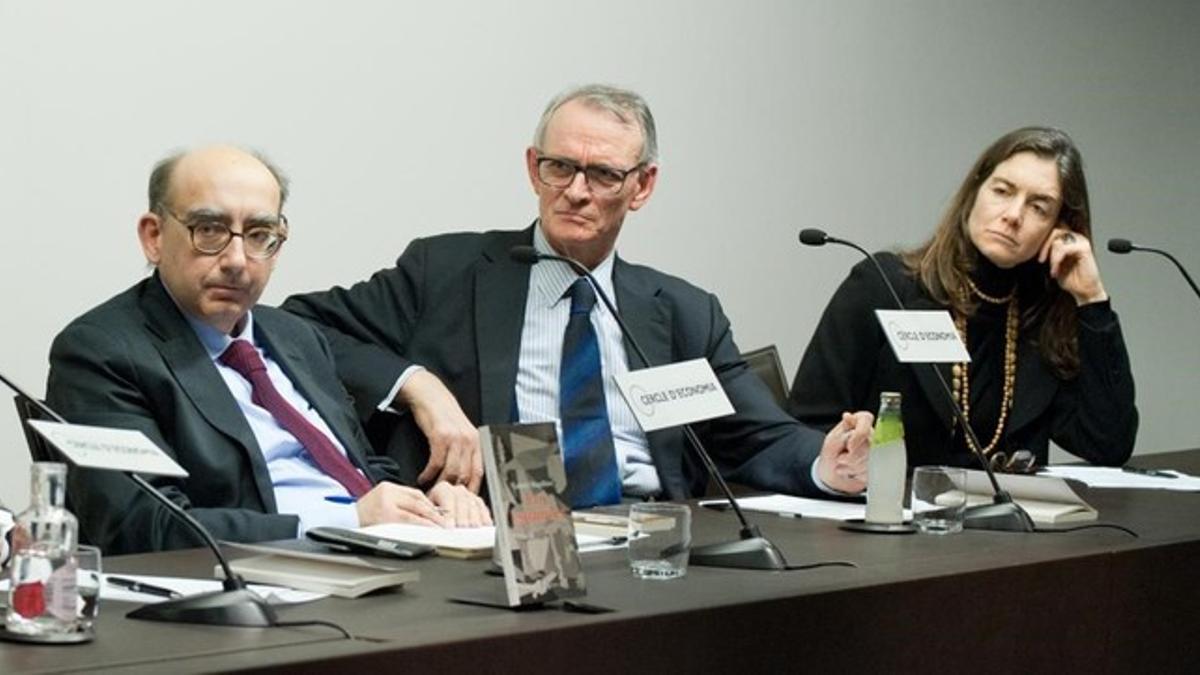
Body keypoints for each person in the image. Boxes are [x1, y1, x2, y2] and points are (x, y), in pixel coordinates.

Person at [283, 84, 873, 506]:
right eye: (559, 168)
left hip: (651, 536)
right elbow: (296, 326)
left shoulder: (684, 310)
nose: (575, 192)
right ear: (532, 166)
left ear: (642, 186)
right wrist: (418, 385)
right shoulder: (448, 270)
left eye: (604, 175)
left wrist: (830, 462)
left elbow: (758, 434)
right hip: (498, 535)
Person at [46, 146, 489, 555]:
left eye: (259, 234)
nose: (237, 259)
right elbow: (140, 525)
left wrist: (427, 502)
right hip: (262, 583)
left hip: (381, 560)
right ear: (154, 236)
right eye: (210, 230)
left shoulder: (296, 337)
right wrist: (349, 521)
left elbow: (360, 466)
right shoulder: (101, 351)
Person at [788, 127, 1138, 470]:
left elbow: (1106, 444)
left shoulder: (1039, 318)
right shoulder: (885, 285)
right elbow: (806, 426)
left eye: (1038, 207)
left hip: (1006, 523)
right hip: (891, 513)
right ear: (974, 192)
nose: (1013, 215)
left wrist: (1092, 301)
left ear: (1059, 227)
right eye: (1002, 191)